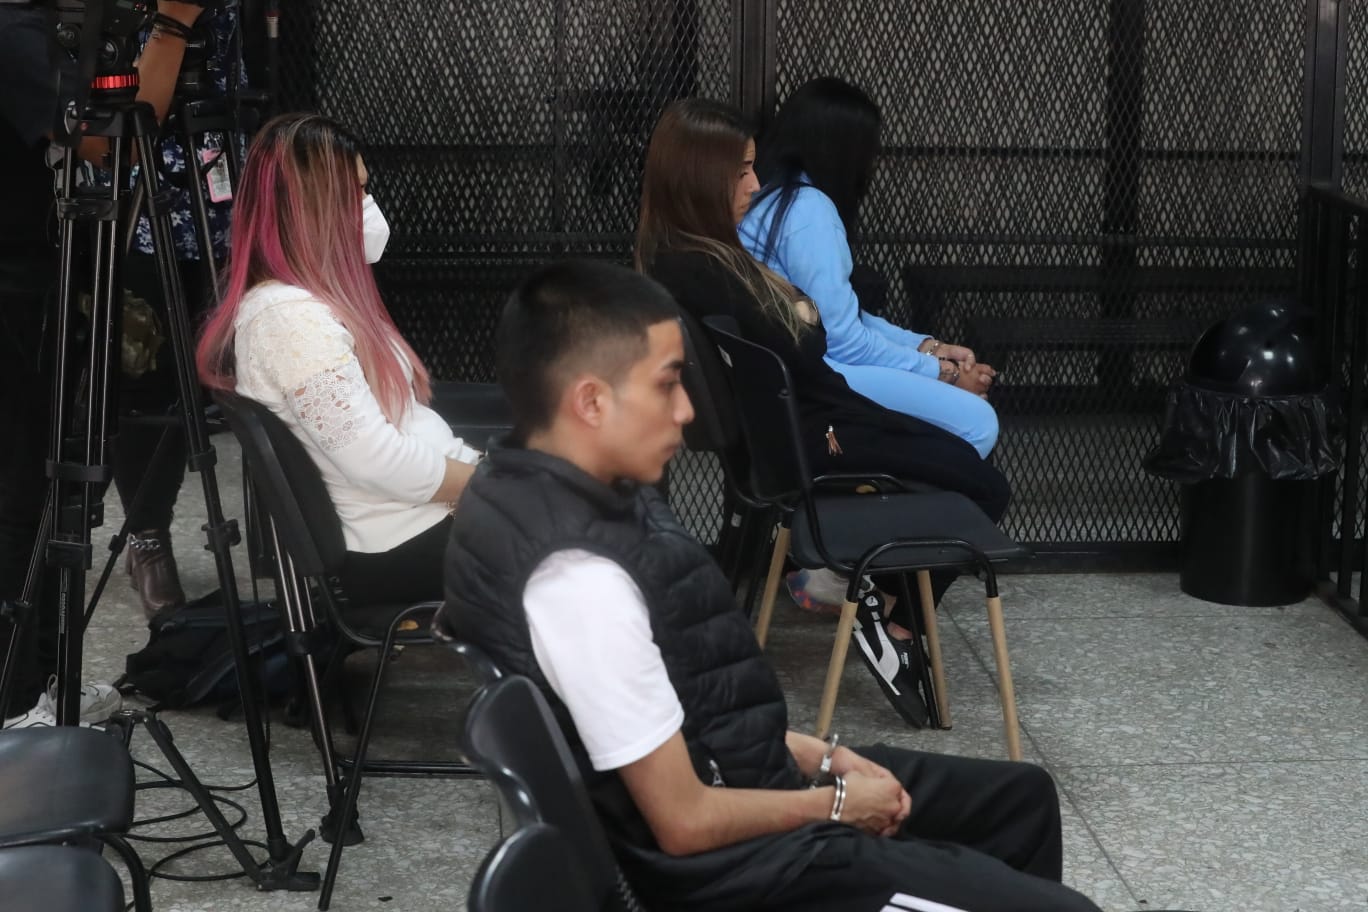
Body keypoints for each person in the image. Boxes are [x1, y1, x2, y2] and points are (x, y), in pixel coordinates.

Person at [437, 260, 1101, 912]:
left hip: (748, 782)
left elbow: (689, 711)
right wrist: (837, 805)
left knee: (1021, 801)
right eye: (667, 384)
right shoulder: (579, 583)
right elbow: (684, 822)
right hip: (747, 875)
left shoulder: (557, 488)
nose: (686, 409)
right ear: (591, 401)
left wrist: (827, 757)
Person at [636, 97, 1012, 723]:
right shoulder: (712, 264)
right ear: (700, 177)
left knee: (962, 463)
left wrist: (815, 320)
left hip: (799, 426)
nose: (754, 185)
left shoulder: (689, 257)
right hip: (816, 434)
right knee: (987, 486)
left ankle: (882, 610)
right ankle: (890, 619)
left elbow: (814, 331)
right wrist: (814, 320)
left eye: (754, 167)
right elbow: (812, 344)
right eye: (741, 171)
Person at [0, 0, 208, 728]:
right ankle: (17, 704)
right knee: (21, 499)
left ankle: (40, 684)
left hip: (36, 278)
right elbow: (108, 142)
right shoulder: (15, 30)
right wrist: (174, 23)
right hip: (18, 291)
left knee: (41, 496)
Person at [196, 113, 480, 605]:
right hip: (407, 541)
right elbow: (376, 462)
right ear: (314, 207)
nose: (369, 207)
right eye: (357, 192)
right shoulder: (289, 320)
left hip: (427, 516)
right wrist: (493, 486)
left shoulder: (309, 303)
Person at [739, 76, 1001, 459]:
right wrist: (944, 374)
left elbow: (842, 316)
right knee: (977, 421)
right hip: (814, 377)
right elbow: (843, 340)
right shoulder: (808, 211)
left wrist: (929, 348)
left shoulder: (774, 199)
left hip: (788, 372)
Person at [115, 6, 245, 619]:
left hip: (224, 182)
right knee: (148, 380)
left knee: (233, 372)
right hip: (138, 197)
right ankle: (147, 535)